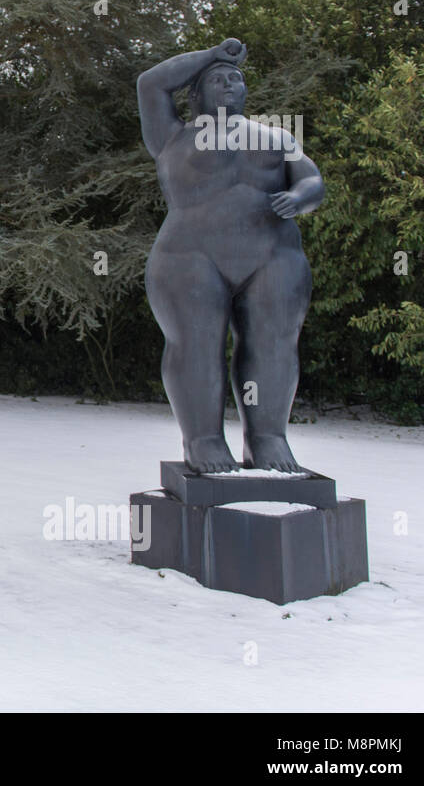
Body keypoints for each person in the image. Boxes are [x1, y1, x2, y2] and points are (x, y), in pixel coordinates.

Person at [136, 38, 324, 472]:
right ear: (194, 94)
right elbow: (150, 83)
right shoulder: (171, 136)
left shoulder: (276, 135)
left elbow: (311, 178)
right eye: (217, 79)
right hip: (191, 256)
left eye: (235, 78)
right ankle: (202, 440)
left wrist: (300, 197)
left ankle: (268, 439)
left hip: (274, 255)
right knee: (196, 345)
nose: (229, 83)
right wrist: (213, 54)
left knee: (274, 345)